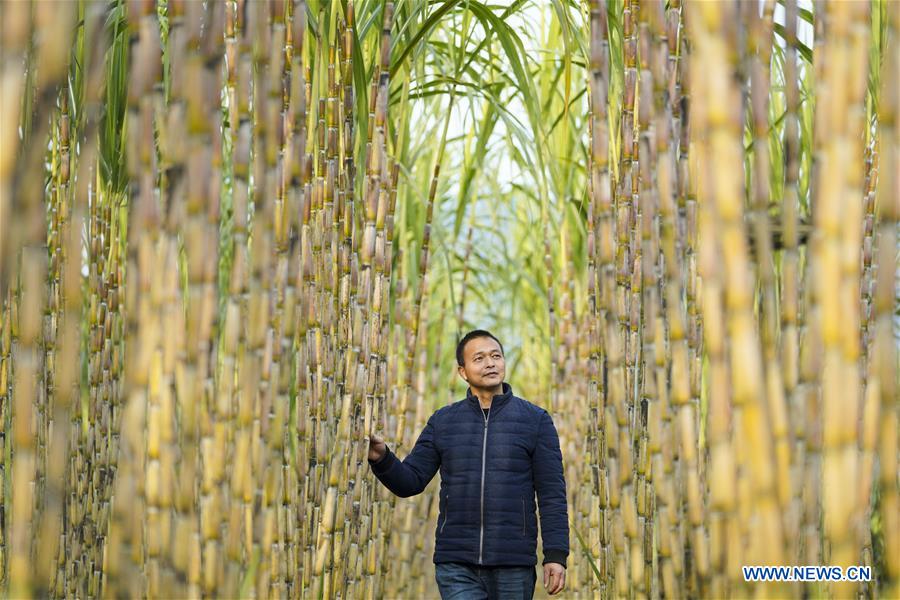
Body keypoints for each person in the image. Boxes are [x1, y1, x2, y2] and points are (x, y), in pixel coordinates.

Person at [368, 329, 568, 599]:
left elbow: (551, 493)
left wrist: (555, 555)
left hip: (513, 562)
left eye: (496, 356)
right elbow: (410, 481)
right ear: (462, 371)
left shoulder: (535, 420)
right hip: (456, 562)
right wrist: (382, 458)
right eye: (479, 358)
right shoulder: (443, 421)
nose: (490, 363)